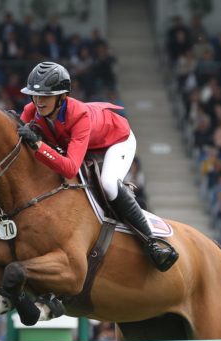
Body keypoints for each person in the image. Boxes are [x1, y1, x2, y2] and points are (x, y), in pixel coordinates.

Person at [16, 61, 177, 272]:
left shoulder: (79, 115)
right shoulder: (31, 110)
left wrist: (37, 145)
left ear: (62, 97)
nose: (38, 101)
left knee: (108, 183)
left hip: (117, 141)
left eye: (45, 96)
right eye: (35, 95)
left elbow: (70, 168)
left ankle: (152, 242)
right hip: (86, 145)